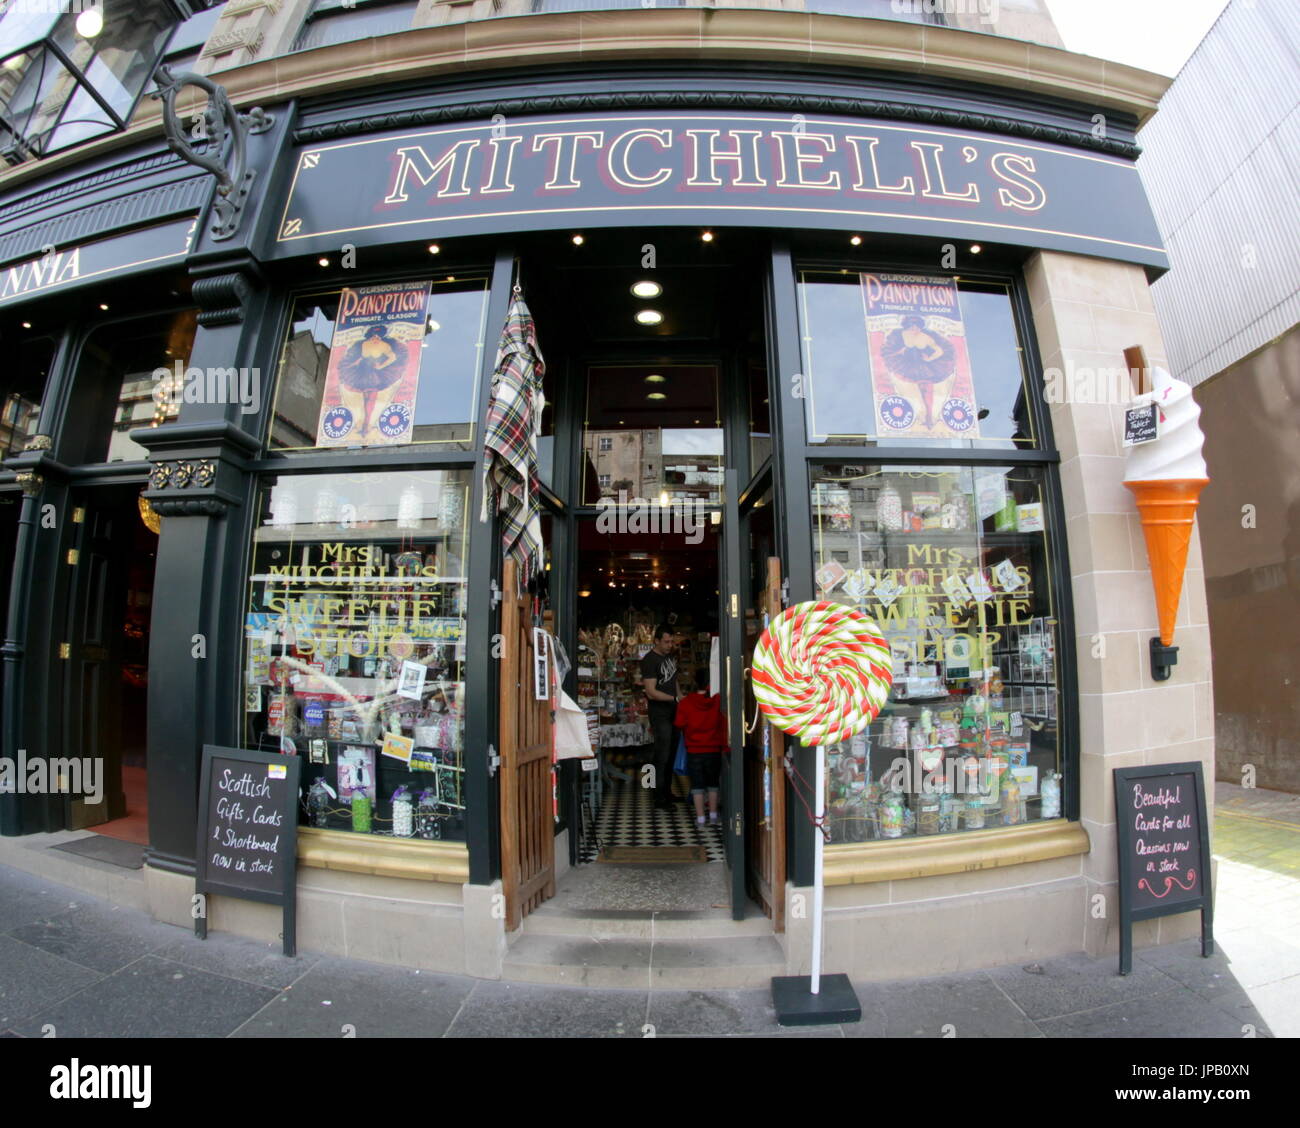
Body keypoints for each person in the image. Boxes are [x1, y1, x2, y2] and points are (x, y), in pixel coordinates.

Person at [674, 667, 726, 827]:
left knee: (697, 785)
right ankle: (713, 815)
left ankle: (701, 818)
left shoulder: (687, 702)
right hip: (713, 749)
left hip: (694, 750)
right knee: (713, 784)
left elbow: (679, 723)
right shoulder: (717, 701)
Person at [640, 623, 680, 809]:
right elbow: (650, 691)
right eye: (666, 642)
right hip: (660, 712)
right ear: (656, 641)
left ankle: (667, 792)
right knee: (661, 754)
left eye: (671, 641)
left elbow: (674, 680)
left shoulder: (671, 656)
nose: (669, 645)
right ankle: (658, 797)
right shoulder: (649, 660)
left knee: (672, 752)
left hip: (674, 710)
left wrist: (679, 697)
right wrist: (673, 698)